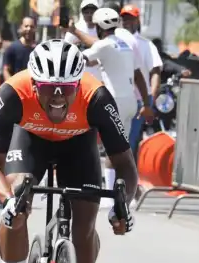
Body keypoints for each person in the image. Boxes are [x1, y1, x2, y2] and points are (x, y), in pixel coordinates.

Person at [0, 39, 138, 263]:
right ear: (34, 84)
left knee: (84, 224)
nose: (57, 96)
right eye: (48, 88)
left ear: (78, 84)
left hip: (78, 146)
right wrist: (6, 200)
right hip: (30, 140)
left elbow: (125, 164)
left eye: (66, 89)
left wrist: (121, 205)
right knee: (18, 199)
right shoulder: (13, 93)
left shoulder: (97, 97)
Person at [64, 9, 151, 194]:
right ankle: (125, 193)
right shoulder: (125, 45)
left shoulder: (103, 45)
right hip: (130, 103)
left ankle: (110, 195)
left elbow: (80, 59)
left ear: (98, 27)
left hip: (115, 102)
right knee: (123, 149)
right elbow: (138, 76)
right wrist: (146, 104)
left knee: (111, 150)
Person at [119, 4, 162, 158]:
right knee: (116, 140)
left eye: (130, 19)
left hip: (139, 101)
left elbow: (155, 72)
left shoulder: (146, 45)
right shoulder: (114, 41)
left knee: (130, 141)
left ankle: (126, 172)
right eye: (124, 19)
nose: (127, 22)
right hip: (118, 97)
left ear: (137, 20)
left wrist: (150, 101)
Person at [64, 0, 103, 82]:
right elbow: (65, 51)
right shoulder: (74, 29)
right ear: (82, 13)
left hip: (99, 77)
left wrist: (98, 61)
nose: (89, 15)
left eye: (92, 12)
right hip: (79, 77)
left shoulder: (103, 29)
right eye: (86, 12)